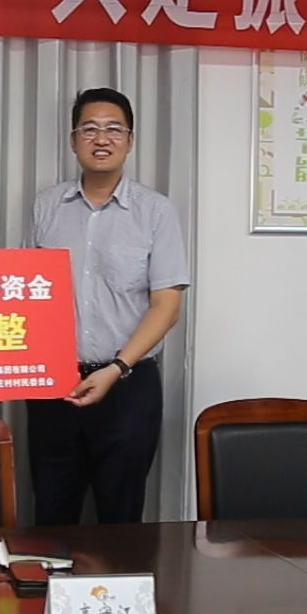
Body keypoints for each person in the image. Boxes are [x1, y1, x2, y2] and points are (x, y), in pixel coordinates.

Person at [27, 88, 188, 525]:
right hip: (55, 386)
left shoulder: (156, 211)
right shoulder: (46, 205)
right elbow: (32, 291)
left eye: (114, 129)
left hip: (127, 385)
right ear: (73, 140)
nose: (102, 139)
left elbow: (167, 306)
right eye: (90, 129)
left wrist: (116, 368)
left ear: (130, 140)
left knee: (120, 520)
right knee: (51, 514)